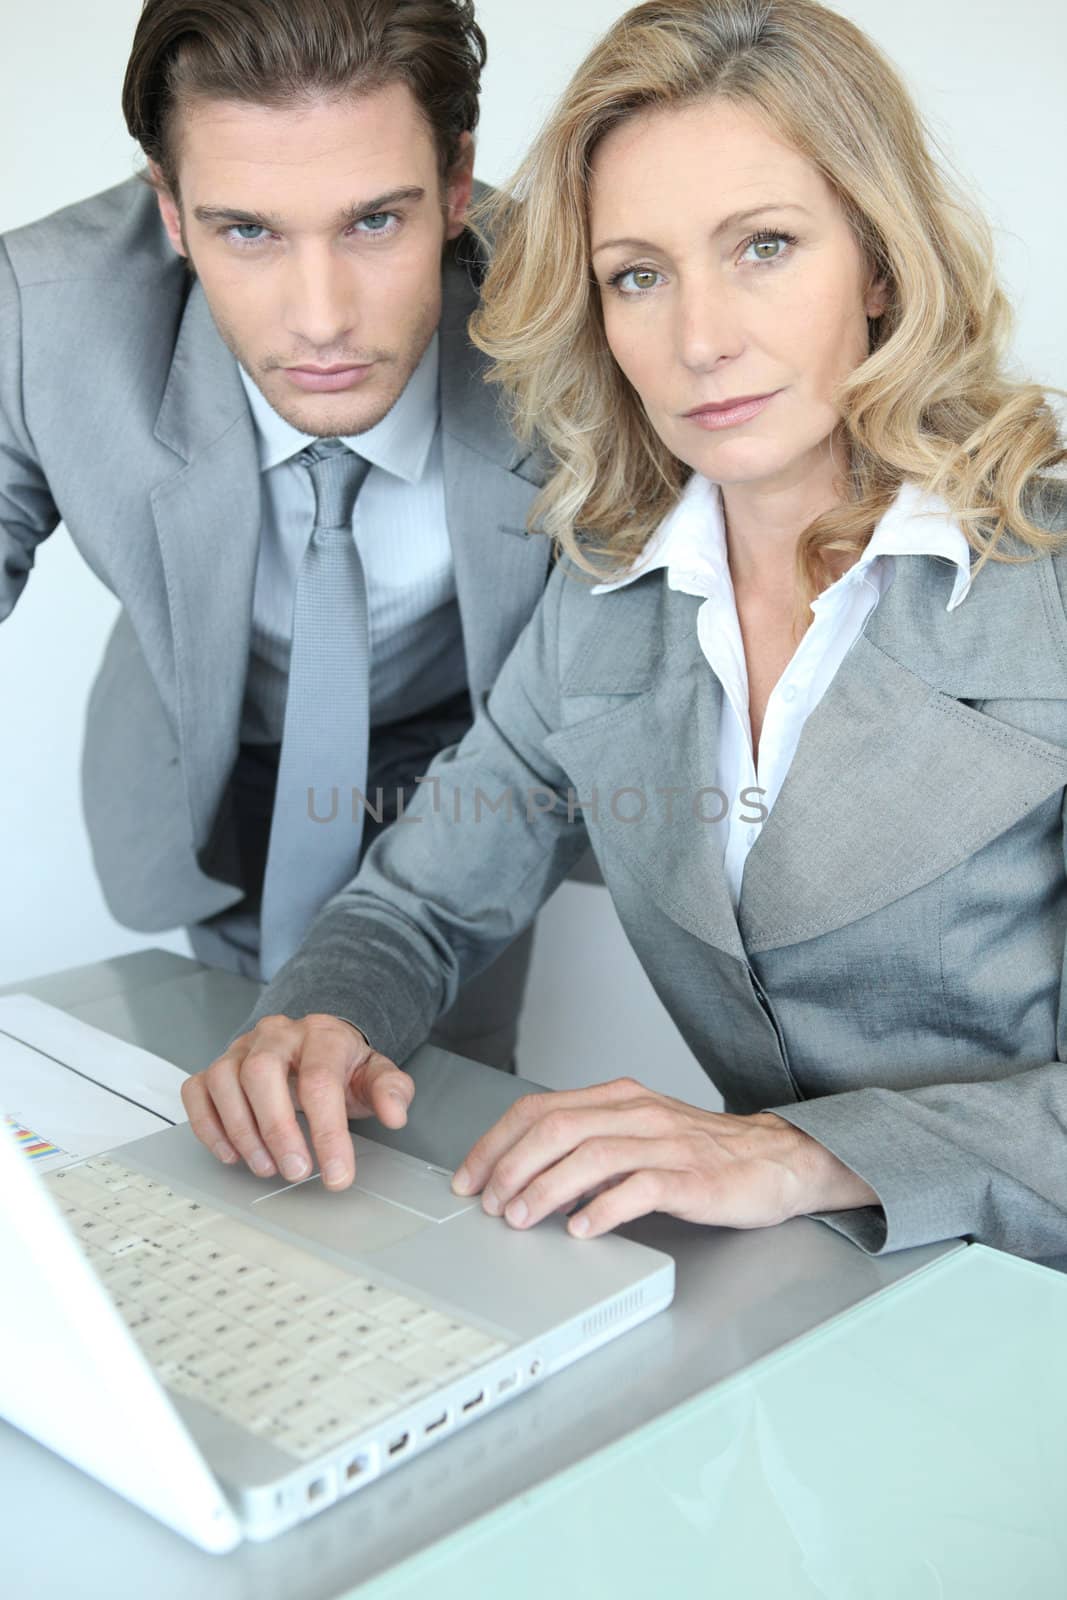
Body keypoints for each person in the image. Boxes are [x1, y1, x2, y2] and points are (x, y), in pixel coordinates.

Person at [183, 0, 1067, 1264]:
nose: (699, 340)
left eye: (763, 246)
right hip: (792, 1305)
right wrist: (317, 1022)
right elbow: (415, 906)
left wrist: (796, 1153)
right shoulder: (606, 594)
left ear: (877, 260)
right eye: (636, 275)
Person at [0, 0, 561, 1071]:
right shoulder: (41, 313)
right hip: (217, 758)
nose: (319, 317)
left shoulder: (572, 310)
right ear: (169, 211)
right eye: (246, 230)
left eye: (373, 222)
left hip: (471, 762)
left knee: (450, 1107)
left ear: (455, 185)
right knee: (225, 1107)